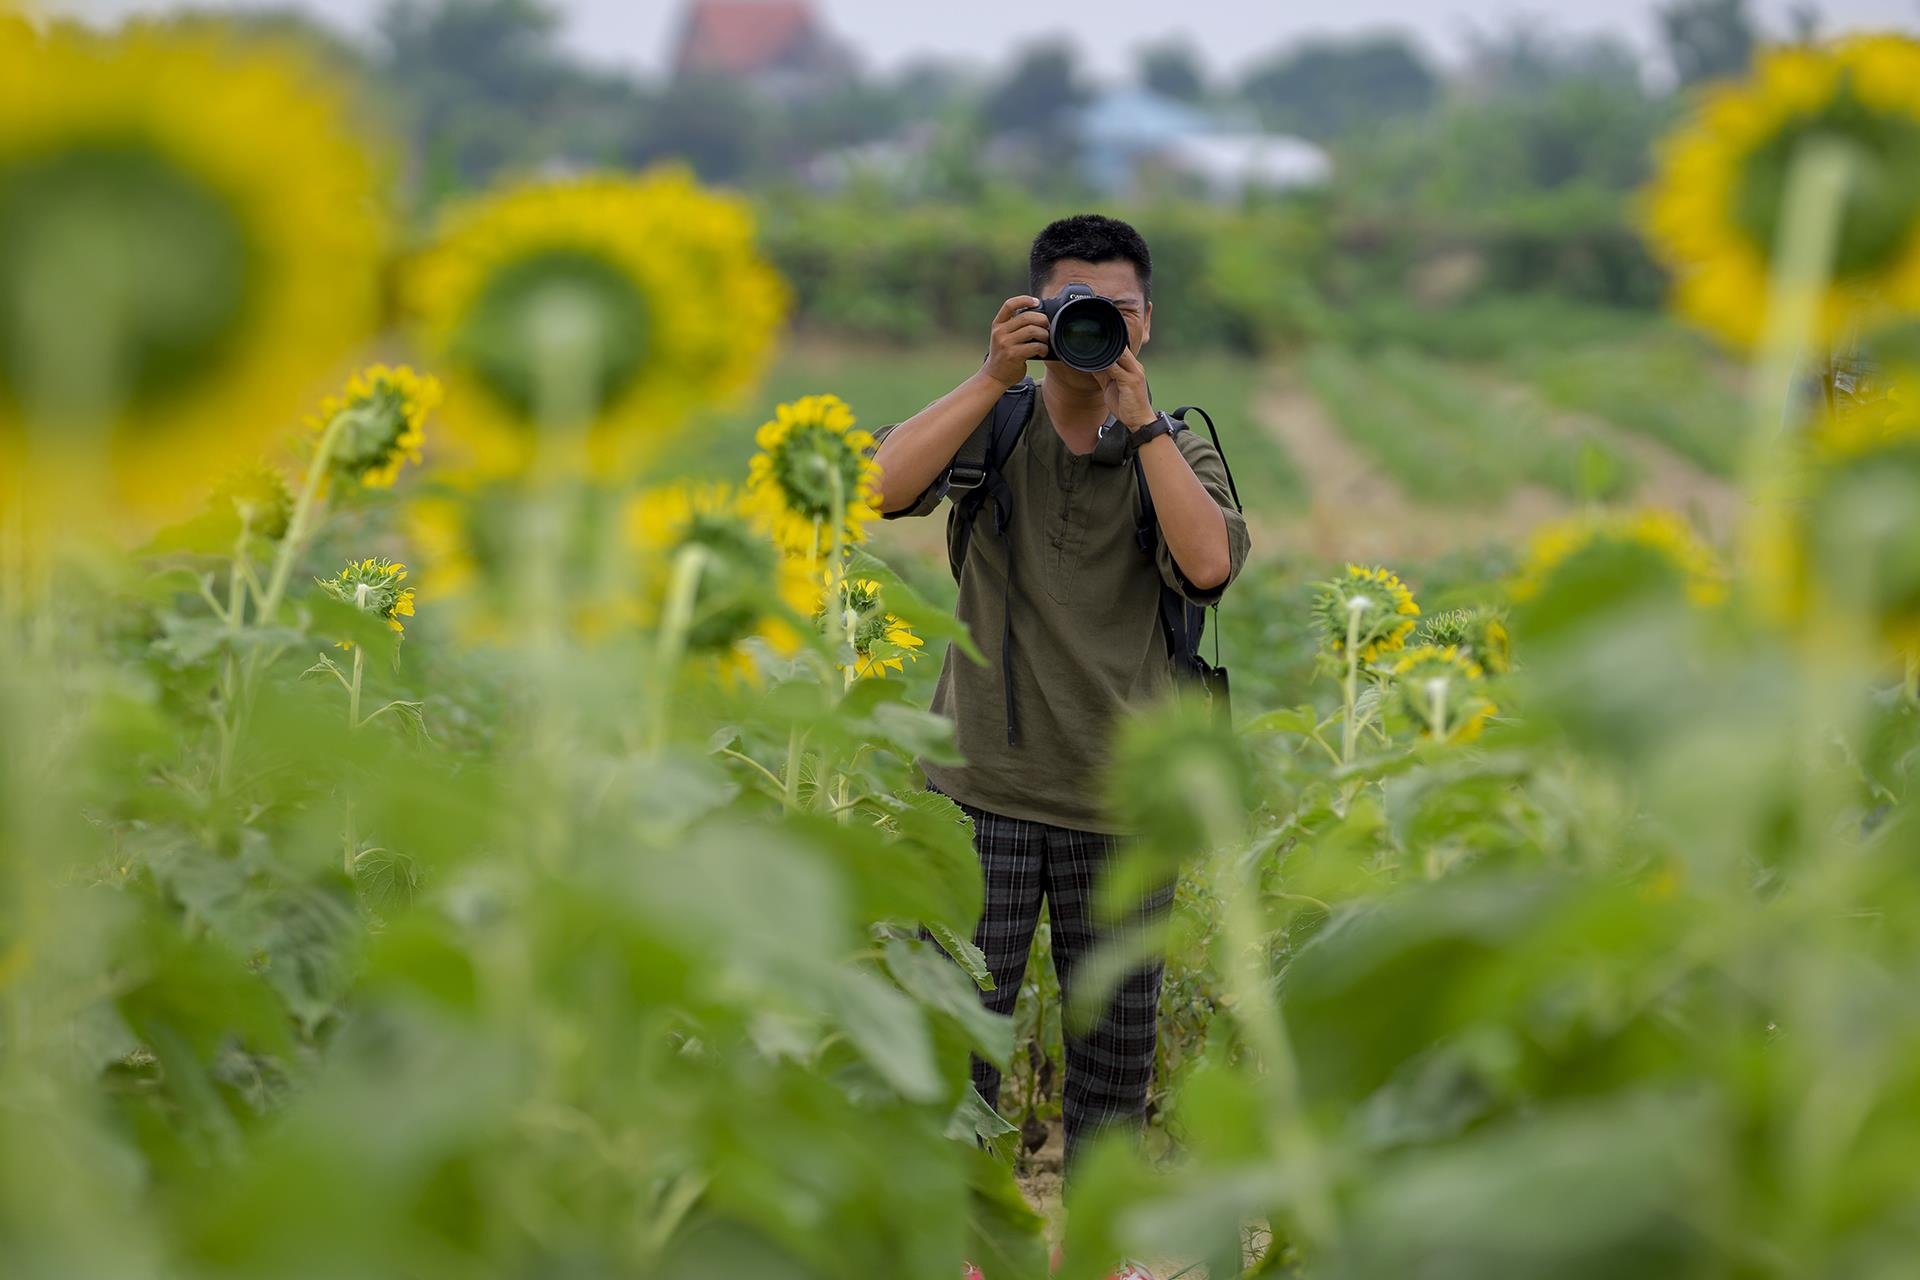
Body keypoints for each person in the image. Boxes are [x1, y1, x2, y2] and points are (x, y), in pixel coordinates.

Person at [867, 215, 1251, 1280]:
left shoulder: (1181, 443)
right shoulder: (997, 425)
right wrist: (991, 376)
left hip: (1121, 805)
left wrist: (1143, 420)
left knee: (1112, 1069)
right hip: (975, 784)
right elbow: (881, 486)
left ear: (1147, 319)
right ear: (1037, 312)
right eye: (1075, 309)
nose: (1098, 330)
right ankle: (966, 1252)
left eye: (1118, 313)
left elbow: (1210, 566)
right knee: (959, 1049)